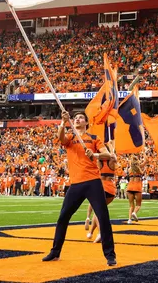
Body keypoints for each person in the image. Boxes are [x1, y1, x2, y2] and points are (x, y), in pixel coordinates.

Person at [42, 110, 117, 266]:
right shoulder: (71, 137)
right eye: (75, 118)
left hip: (93, 181)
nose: (77, 119)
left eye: (80, 118)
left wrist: (94, 156)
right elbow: (60, 138)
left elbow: (108, 155)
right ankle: (55, 252)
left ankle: (110, 255)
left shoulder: (94, 139)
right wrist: (63, 122)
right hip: (76, 183)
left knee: (103, 217)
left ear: (86, 122)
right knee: (63, 217)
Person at [88, 143, 118, 243]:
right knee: (99, 211)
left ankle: (101, 232)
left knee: (97, 212)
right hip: (111, 190)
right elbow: (113, 156)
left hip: (101, 188)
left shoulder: (99, 162)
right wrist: (111, 147)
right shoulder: (112, 161)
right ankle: (92, 232)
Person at [125, 155, 143, 223]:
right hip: (137, 186)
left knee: (131, 205)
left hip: (129, 186)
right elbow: (146, 161)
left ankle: (129, 220)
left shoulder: (129, 169)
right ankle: (134, 213)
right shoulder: (139, 169)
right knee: (138, 204)